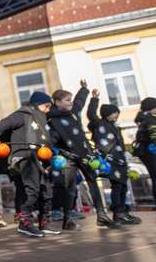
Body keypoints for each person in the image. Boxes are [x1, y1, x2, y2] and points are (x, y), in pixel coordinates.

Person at [48, 82, 121, 230]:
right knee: (70, 188)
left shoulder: (73, 111)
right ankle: (67, 219)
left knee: (93, 182)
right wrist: (56, 147)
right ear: (57, 102)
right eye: (67, 100)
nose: (71, 102)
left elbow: (80, 101)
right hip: (68, 158)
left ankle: (101, 216)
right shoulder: (51, 119)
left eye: (70, 99)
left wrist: (86, 91)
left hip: (85, 155)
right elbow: (52, 139)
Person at [0, 92, 58, 237]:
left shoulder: (43, 120)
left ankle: (45, 222)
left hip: (42, 159)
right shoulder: (23, 115)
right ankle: (25, 223)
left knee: (46, 191)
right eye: (46, 106)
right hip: (26, 156)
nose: (48, 110)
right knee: (31, 190)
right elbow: (3, 124)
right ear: (37, 104)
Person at [87, 90, 141, 225]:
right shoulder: (99, 124)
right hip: (110, 161)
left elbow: (119, 143)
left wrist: (126, 154)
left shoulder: (115, 127)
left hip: (120, 161)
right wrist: (94, 99)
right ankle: (118, 213)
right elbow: (91, 114)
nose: (116, 115)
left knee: (123, 187)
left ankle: (123, 211)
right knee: (117, 186)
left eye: (117, 113)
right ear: (107, 113)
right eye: (114, 113)